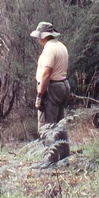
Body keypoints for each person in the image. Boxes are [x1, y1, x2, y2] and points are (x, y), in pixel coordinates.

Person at [31, 21, 71, 164]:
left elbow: (46, 74)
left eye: (39, 36)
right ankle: (64, 158)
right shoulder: (61, 46)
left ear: (45, 36)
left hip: (52, 88)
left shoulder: (49, 49)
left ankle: (50, 161)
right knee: (59, 125)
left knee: (46, 126)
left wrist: (40, 94)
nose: (37, 39)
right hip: (63, 86)